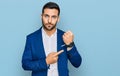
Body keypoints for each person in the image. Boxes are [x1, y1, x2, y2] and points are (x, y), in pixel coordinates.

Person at [22, 2, 82, 76]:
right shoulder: (31, 38)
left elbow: (77, 63)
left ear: (58, 18)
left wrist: (70, 45)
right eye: (46, 16)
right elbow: (25, 64)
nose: (49, 21)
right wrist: (46, 62)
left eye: (53, 17)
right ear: (41, 16)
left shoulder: (65, 37)